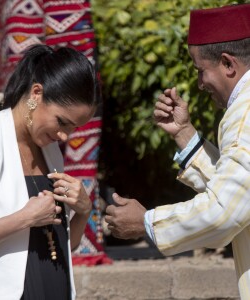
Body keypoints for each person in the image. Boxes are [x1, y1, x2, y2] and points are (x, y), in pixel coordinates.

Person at [105, 3, 250, 299]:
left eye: (201, 71)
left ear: (228, 64)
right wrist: (185, 133)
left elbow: (224, 211)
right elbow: (237, 191)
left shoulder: (245, 113)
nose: (199, 84)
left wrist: (146, 222)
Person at [0, 44, 99, 299]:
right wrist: (23, 219)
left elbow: (60, 245)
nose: (65, 136)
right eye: (62, 121)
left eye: (73, 128)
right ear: (36, 93)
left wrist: (83, 212)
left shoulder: (49, 151)